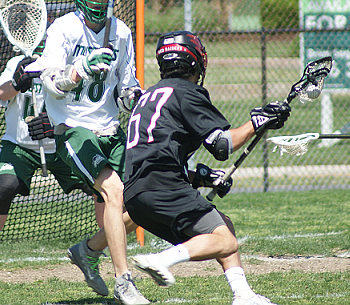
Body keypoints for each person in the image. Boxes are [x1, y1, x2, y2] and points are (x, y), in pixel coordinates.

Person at [122, 31, 291, 305]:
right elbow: (222, 146)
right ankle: (161, 260)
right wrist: (257, 122)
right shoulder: (186, 92)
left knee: (223, 224)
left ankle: (243, 294)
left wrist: (202, 178)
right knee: (226, 241)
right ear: (195, 61)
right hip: (164, 187)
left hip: (136, 196)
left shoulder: (149, 95)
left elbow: (157, 152)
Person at [25, 0, 148, 305]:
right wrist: (79, 69)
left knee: (144, 203)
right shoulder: (63, 29)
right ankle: (125, 281)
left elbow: (126, 89)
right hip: (74, 129)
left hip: (111, 130)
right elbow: (51, 84)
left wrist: (134, 98)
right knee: (113, 190)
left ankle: (88, 250)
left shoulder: (121, 32)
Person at [0, 46, 95, 255]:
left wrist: (55, 126)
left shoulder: (68, 66)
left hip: (61, 144)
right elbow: (2, 93)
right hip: (20, 145)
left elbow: (80, 107)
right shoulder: (18, 63)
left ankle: (104, 239)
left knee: (98, 186)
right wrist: (16, 82)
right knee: (6, 187)